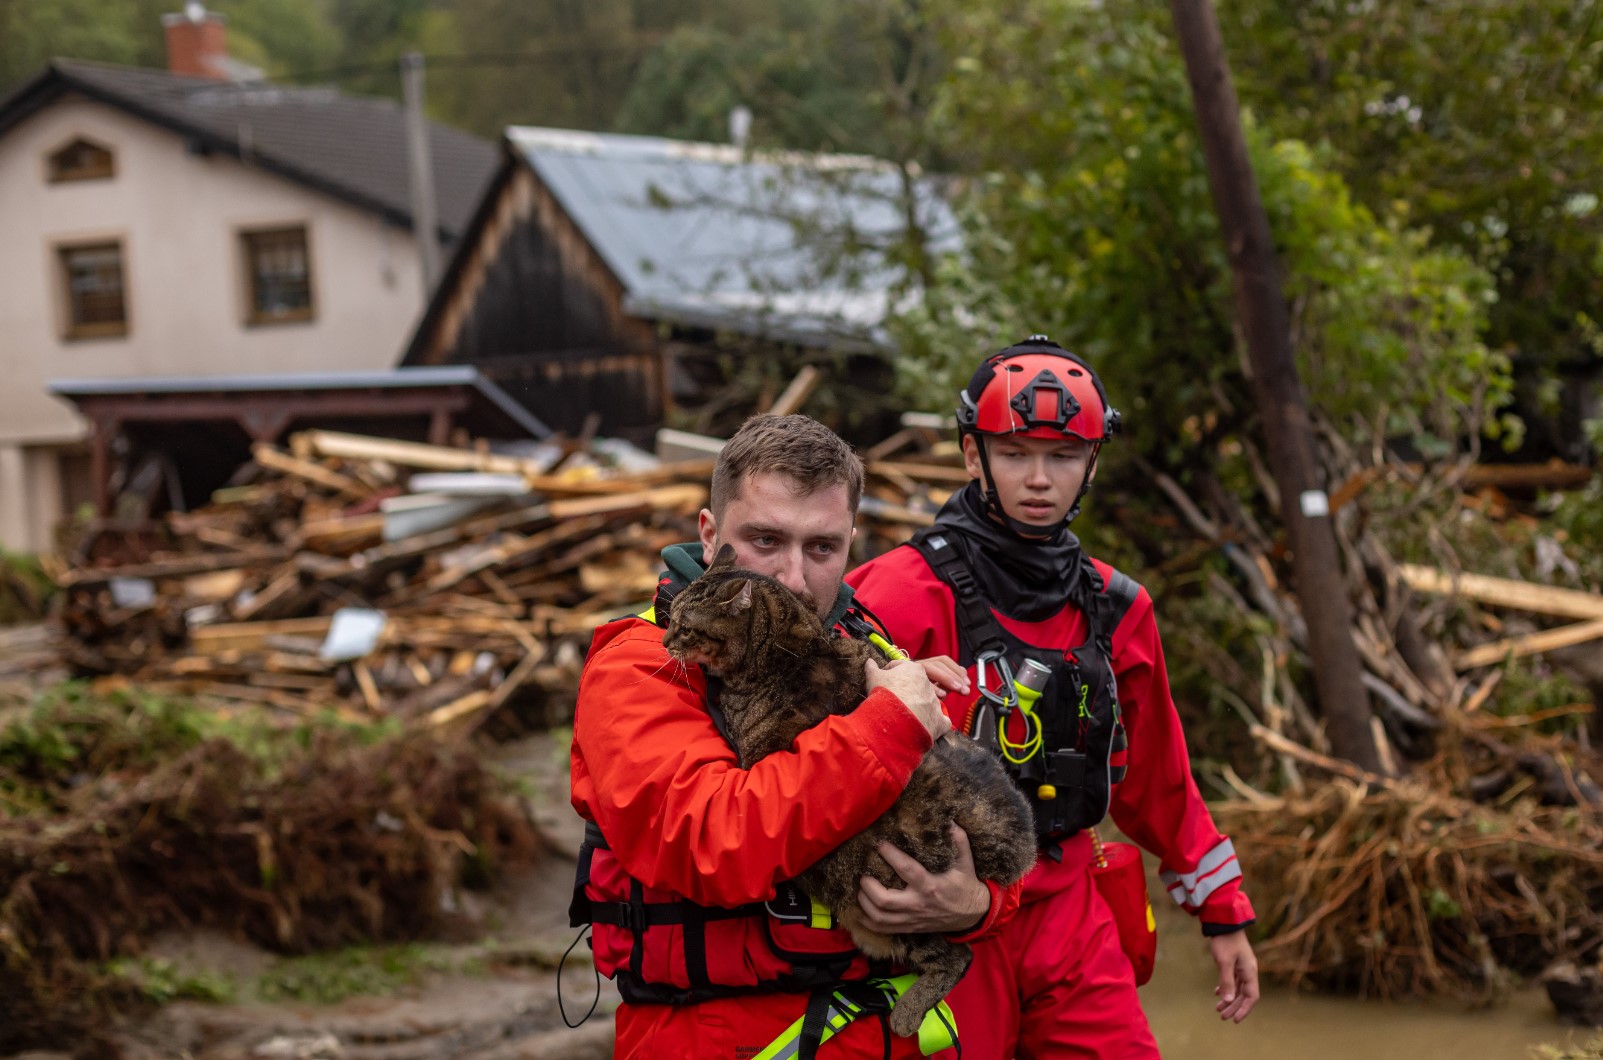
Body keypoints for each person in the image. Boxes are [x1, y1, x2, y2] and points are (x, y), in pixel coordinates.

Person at [846, 335, 1260, 1058]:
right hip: (935, 919)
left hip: (1069, 908)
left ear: (1091, 462)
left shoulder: (1118, 609)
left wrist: (1222, 912)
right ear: (973, 456)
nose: (1039, 478)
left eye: (1063, 456)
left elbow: (1159, 782)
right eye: (1014, 454)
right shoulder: (895, 592)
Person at [568, 413, 1023, 1059]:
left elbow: (988, 831)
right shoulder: (638, 667)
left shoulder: (867, 650)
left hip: (888, 1031)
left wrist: (976, 906)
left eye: (820, 548)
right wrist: (889, 725)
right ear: (708, 536)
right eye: (763, 539)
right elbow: (710, 839)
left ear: (849, 546)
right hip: (722, 1035)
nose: (790, 578)